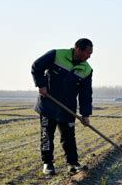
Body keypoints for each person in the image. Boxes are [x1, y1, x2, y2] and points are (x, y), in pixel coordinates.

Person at [31, 38, 93, 175]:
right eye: (87, 53)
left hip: (68, 107)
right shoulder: (56, 55)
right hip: (48, 104)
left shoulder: (86, 70)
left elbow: (85, 94)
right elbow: (36, 67)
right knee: (47, 134)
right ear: (78, 49)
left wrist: (85, 114)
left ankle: (73, 164)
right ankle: (48, 164)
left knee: (69, 136)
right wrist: (41, 85)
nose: (89, 56)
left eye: (91, 54)